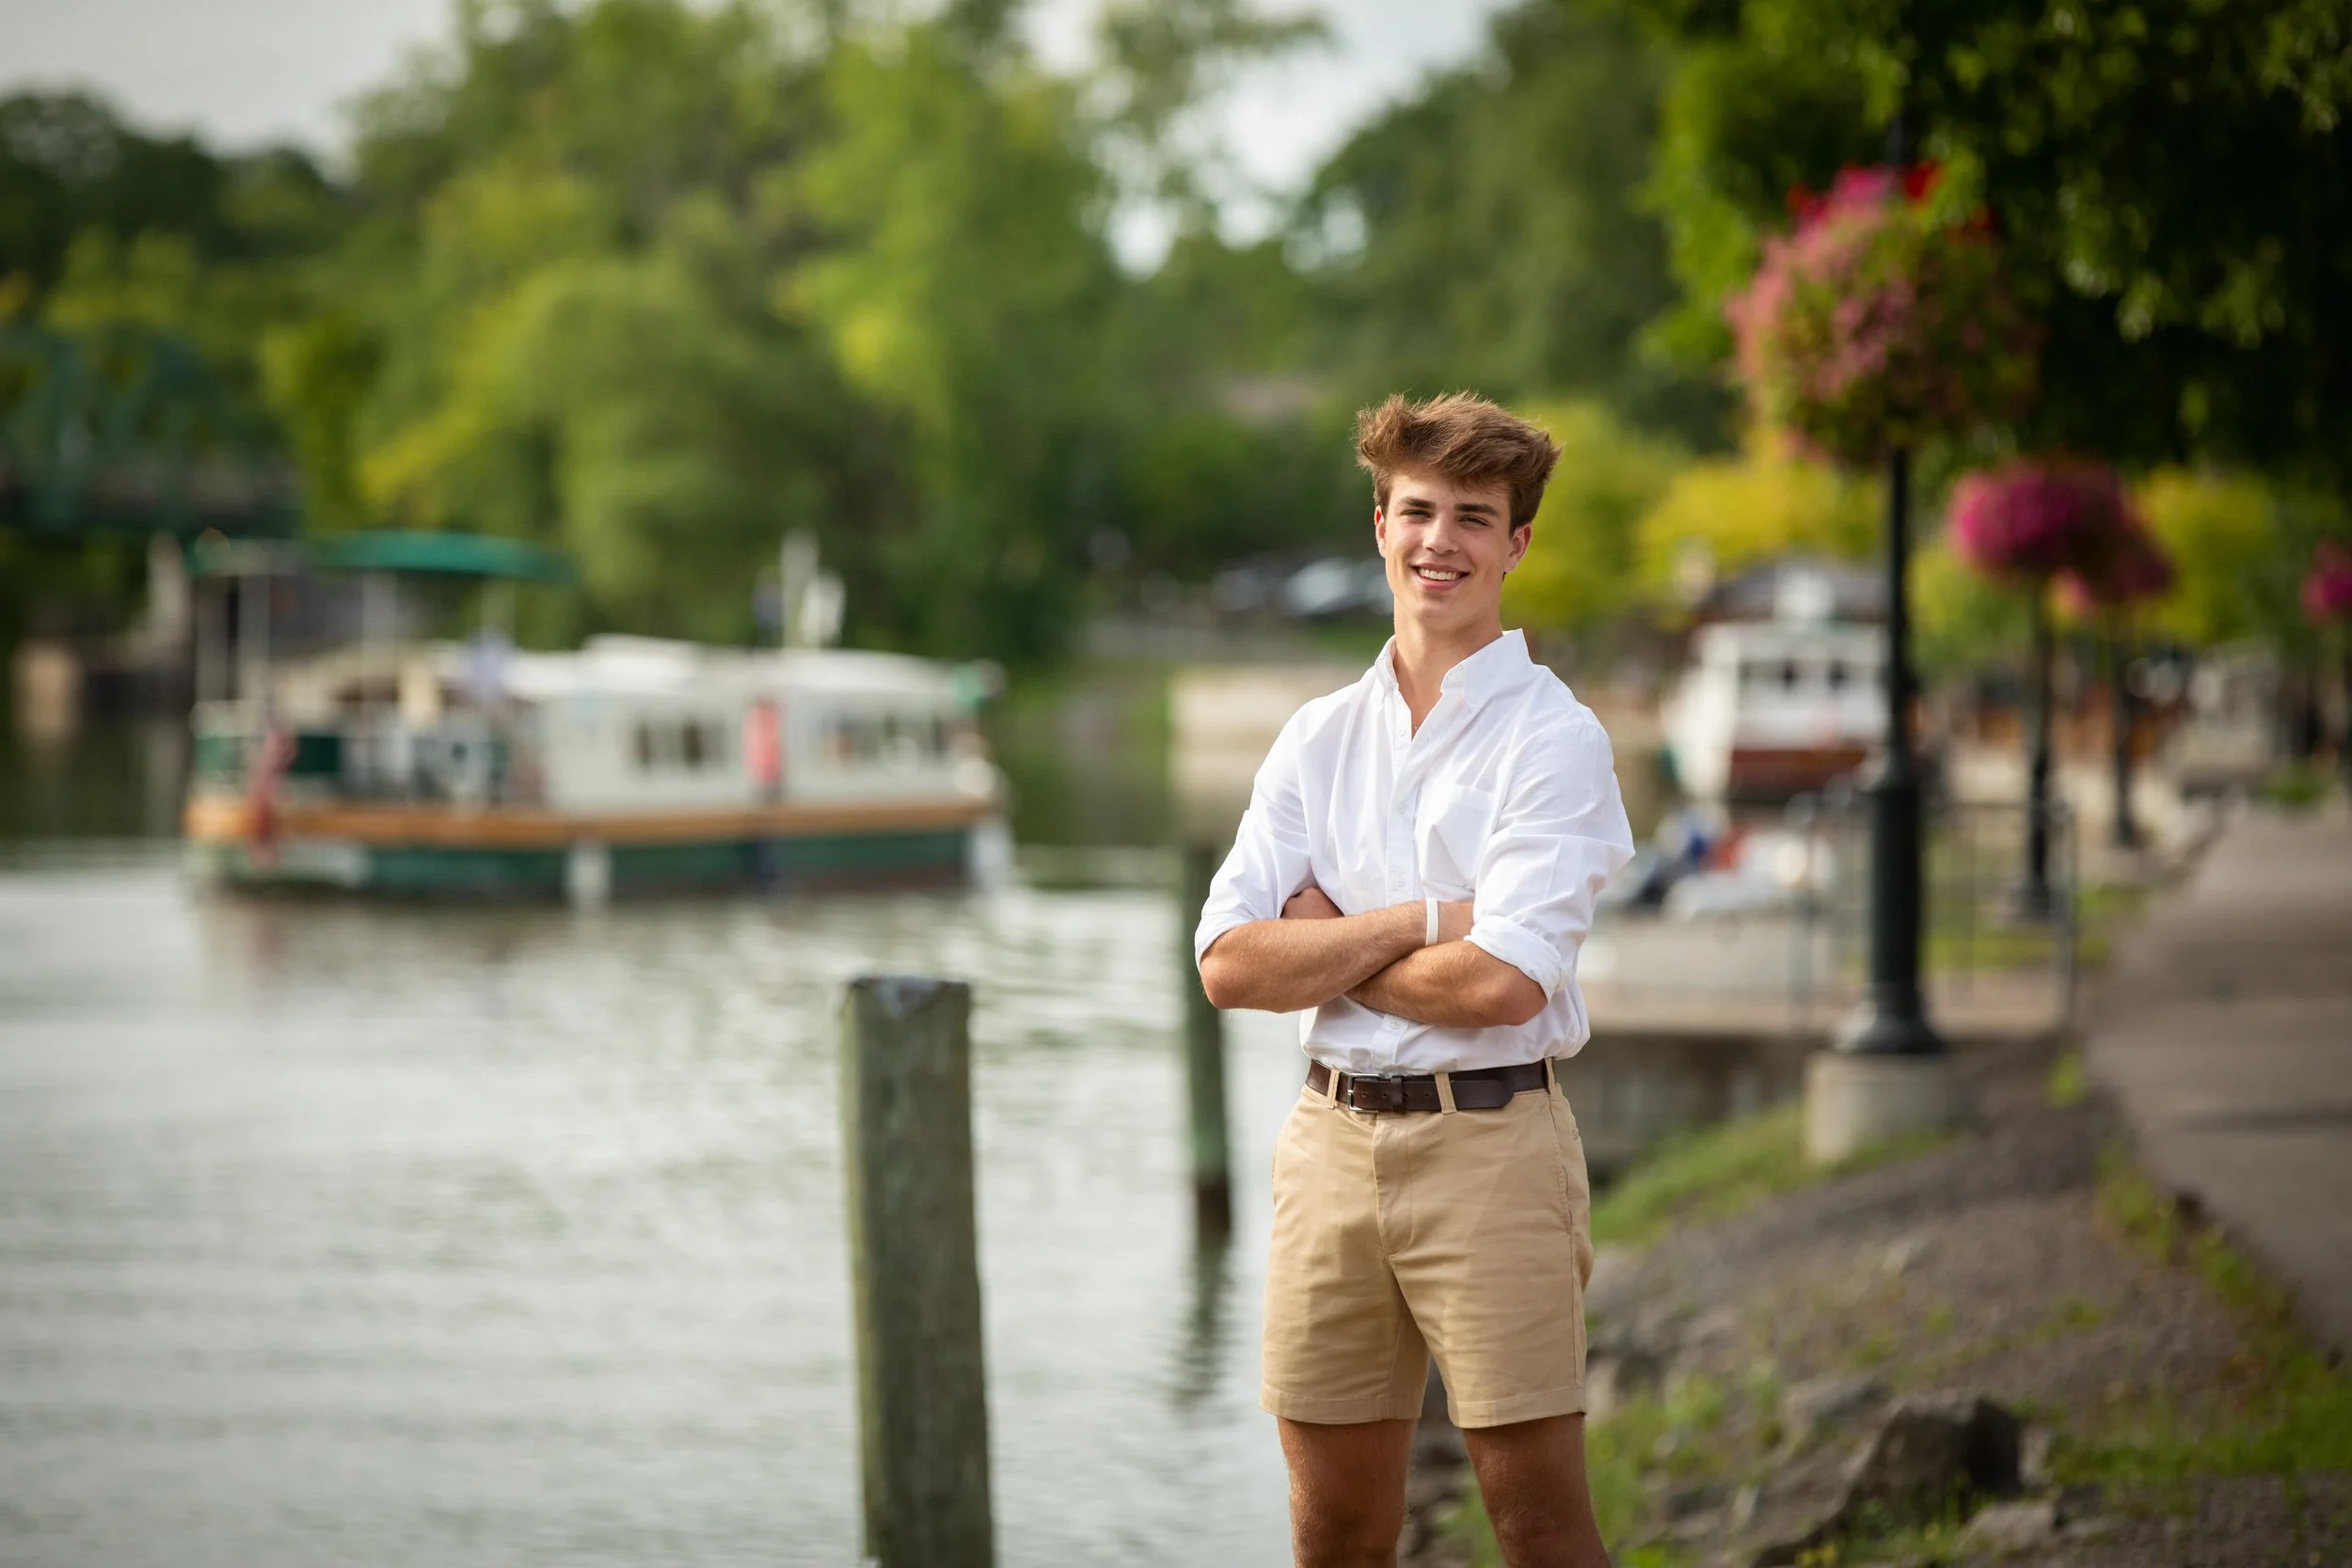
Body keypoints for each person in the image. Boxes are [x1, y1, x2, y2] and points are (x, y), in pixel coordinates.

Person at [1195, 393, 1635, 1568]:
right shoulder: (1316, 737)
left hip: (1491, 1145)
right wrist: (1423, 922)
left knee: (1537, 1523)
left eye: (1474, 518)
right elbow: (1230, 961)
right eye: (1419, 510)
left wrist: (1330, 944)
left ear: (1515, 544)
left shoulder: (1554, 739)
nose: (1441, 540)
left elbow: (1501, 989)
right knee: (1332, 1530)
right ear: (1379, 523)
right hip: (1327, 1144)